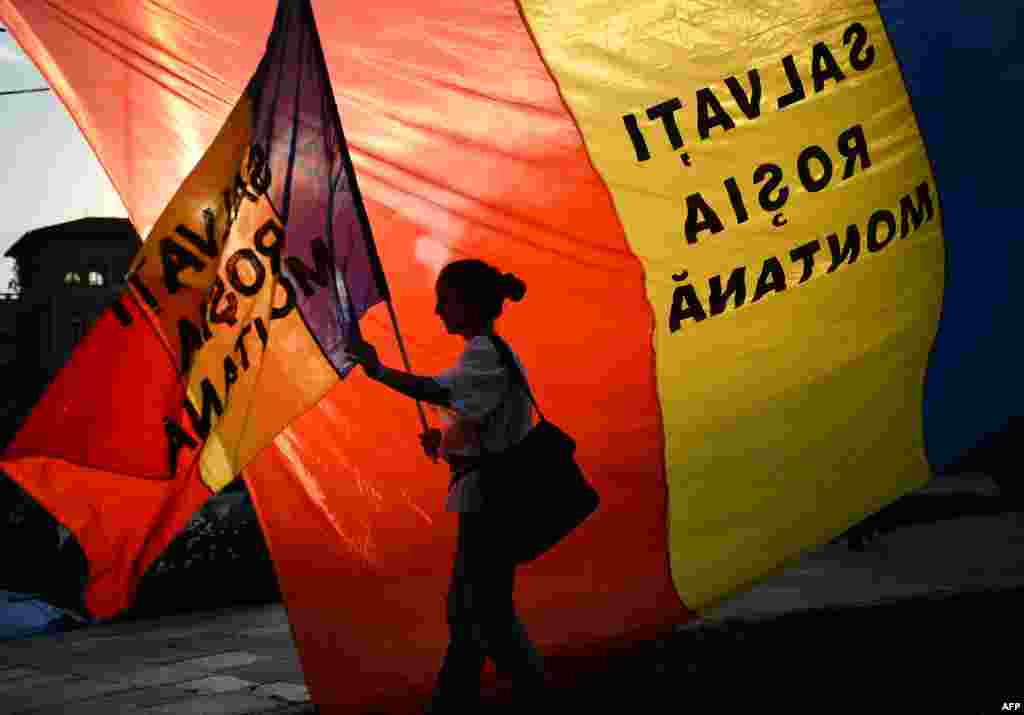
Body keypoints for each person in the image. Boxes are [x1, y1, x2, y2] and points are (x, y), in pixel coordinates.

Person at [347, 258, 547, 711]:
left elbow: (441, 392)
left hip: (489, 503)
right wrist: (446, 438)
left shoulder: (483, 352)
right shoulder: (491, 352)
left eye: (445, 301)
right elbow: (481, 418)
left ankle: (464, 699)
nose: (438, 311)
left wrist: (379, 372)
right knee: (484, 614)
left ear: (469, 304)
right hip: (492, 498)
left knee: (473, 613)